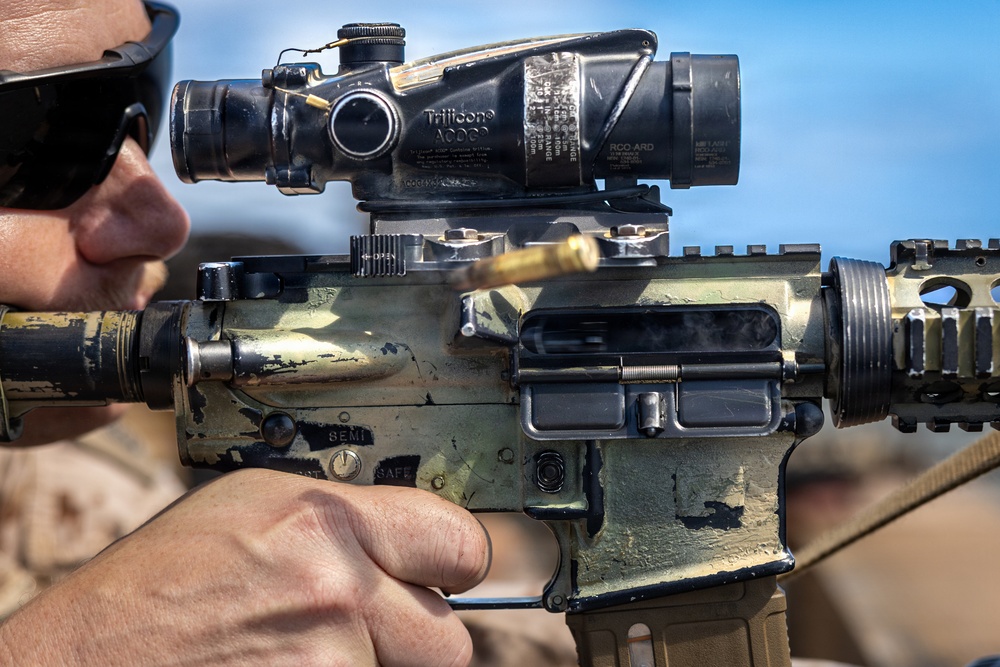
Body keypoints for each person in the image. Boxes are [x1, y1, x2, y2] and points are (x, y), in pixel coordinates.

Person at [0, 1, 490, 664]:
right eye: (32, 138)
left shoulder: (72, 489)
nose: (161, 222)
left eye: (141, 114)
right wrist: (71, 650)